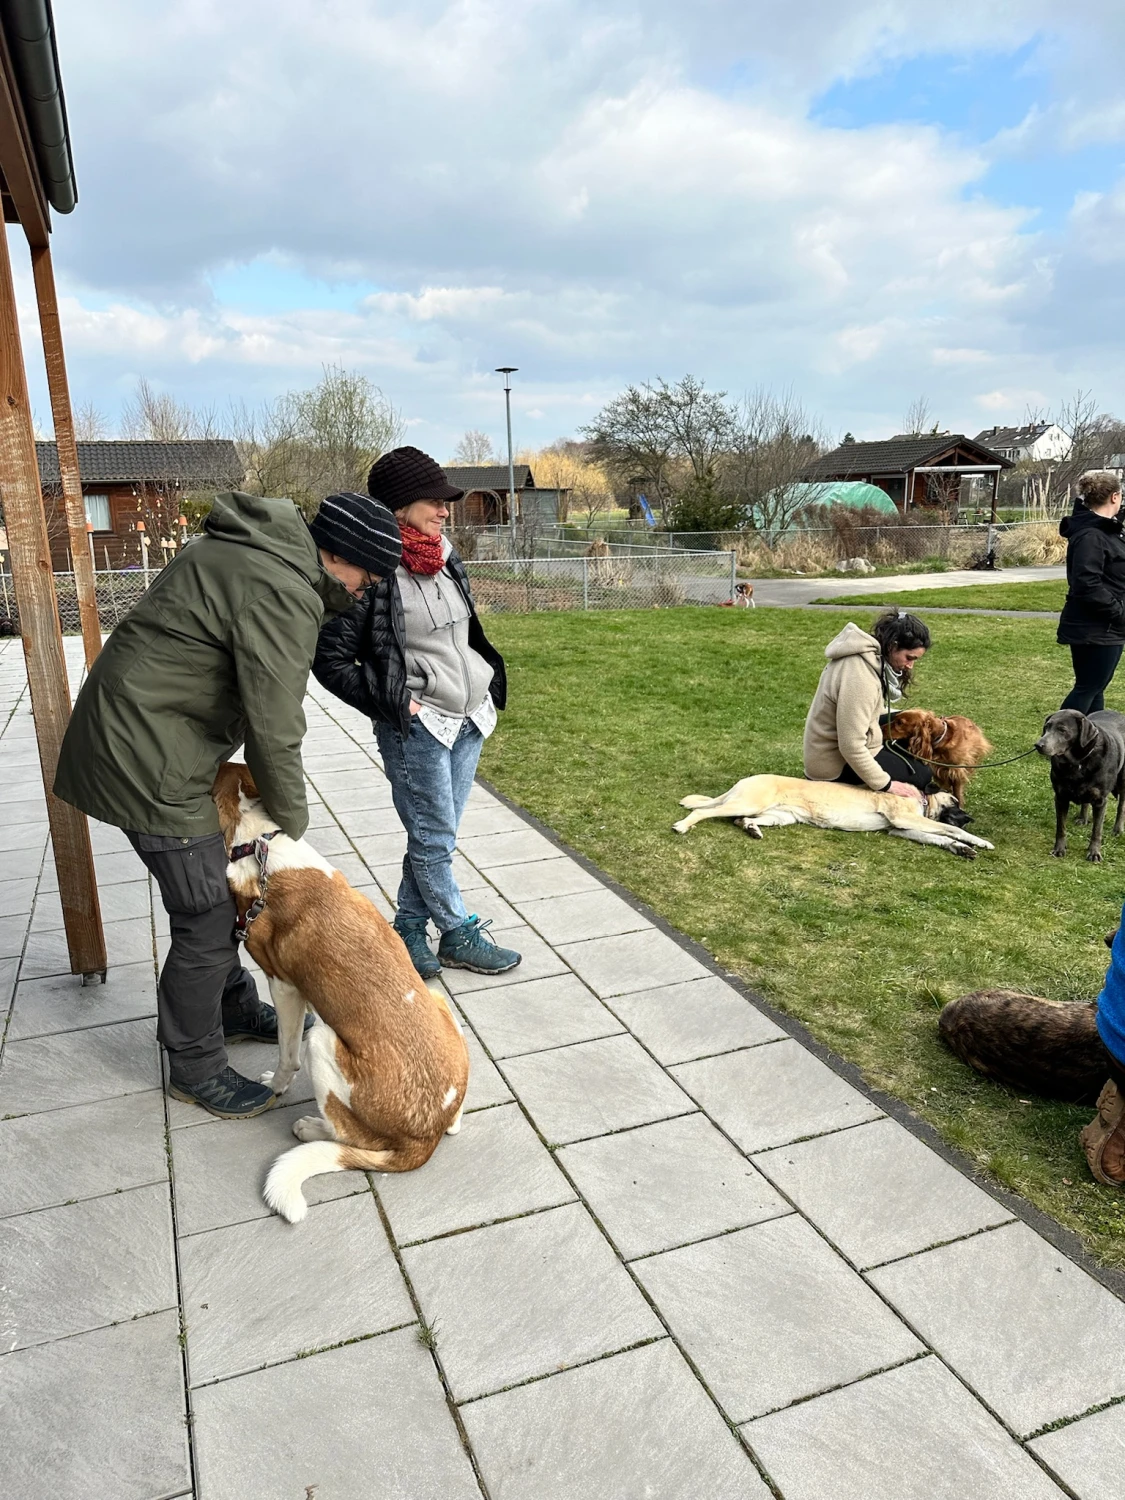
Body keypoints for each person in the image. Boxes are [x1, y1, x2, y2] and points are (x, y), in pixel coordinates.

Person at [54, 488, 402, 1119]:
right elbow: (275, 727)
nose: (366, 590)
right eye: (369, 576)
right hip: (147, 755)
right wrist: (290, 828)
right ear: (340, 554)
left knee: (215, 898)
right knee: (207, 914)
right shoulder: (283, 590)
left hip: (144, 733)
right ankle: (195, 1067)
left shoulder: (255, 550)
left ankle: (234, 1007)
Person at [313, 446, 519, 980]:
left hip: (470, 716)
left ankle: (407, 926)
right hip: (419, 725)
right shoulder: (371, 568)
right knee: (434, 836)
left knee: (434, 835)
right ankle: (456, 931)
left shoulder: (445, 554)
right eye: (435, 501)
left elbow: (464, 631)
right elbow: (329, 659)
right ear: (400, 506)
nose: (446, 510)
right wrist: (393, 701)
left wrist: (483, 679)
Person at [803, 610, 933, 801]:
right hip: (831, 767)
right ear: (893, 645)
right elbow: (851, 746)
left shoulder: (866, 658)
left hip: (835, 753)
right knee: (922, 775)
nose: (910, 665)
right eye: (909, 657)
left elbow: (871, 711)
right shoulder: (860, 677)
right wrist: (887, 784)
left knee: (913, 749)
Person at [1058, 469, 1125, 713]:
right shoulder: (1091, 535)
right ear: (1115, 496)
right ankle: (1059, 734)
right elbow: (1087, 583)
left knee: (1094, 688)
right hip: (1097, 627)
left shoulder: (1104, 531)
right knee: (1088, 687)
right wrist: (1118, 613)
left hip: (1103, 627)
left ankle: (1095, 735)